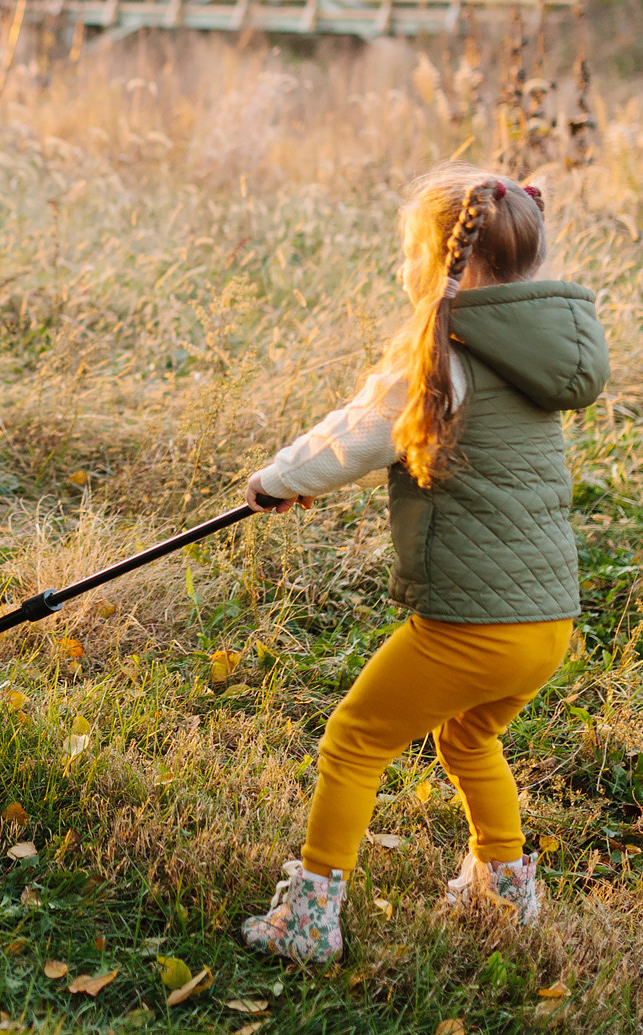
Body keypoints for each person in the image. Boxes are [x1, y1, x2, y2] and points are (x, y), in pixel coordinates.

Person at [234, 162, 608, 964]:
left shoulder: (441, 352)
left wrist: (275, 481)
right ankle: (503, 897)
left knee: (354, 738)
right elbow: (395, 437)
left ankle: (306, 924)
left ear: (446, 258)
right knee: (469, 738)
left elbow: (355, 437)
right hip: (548, 622)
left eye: (409, 250)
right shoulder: (537, 352)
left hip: (473, 625)